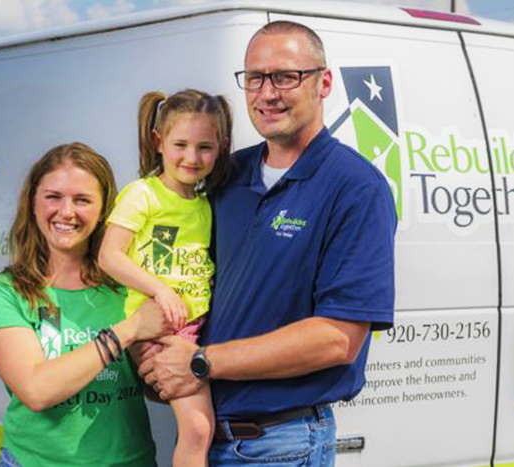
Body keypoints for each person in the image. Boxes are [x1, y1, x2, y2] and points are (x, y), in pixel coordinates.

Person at [137, 21, 397, 466]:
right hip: (206, 434)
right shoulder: (225, 175)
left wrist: (200, 362)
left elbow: (337, 339)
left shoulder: (356, 188)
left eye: (286, 76)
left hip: (283, 444)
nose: (267, 92)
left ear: (324, 83)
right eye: (255, 77)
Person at [0, 142, 173, 467]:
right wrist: (130, 331)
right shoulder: (6, 293)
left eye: (82, 200)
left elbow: (152, 389)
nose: (67, 212)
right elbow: (37, 390)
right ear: (33, 202)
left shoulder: (128, 286)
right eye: (54, 197)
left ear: (104, 209)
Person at [99, 89, 232, 467]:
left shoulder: (204, 204)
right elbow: (109, 256)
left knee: (202, 428)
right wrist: (160, 290)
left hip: (192, 330)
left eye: (205, 147)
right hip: (157, 329)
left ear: (220, 148)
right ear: (158, 141)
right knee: (198, 430)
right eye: (181, 145)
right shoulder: (143, 195)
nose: (192, 157)